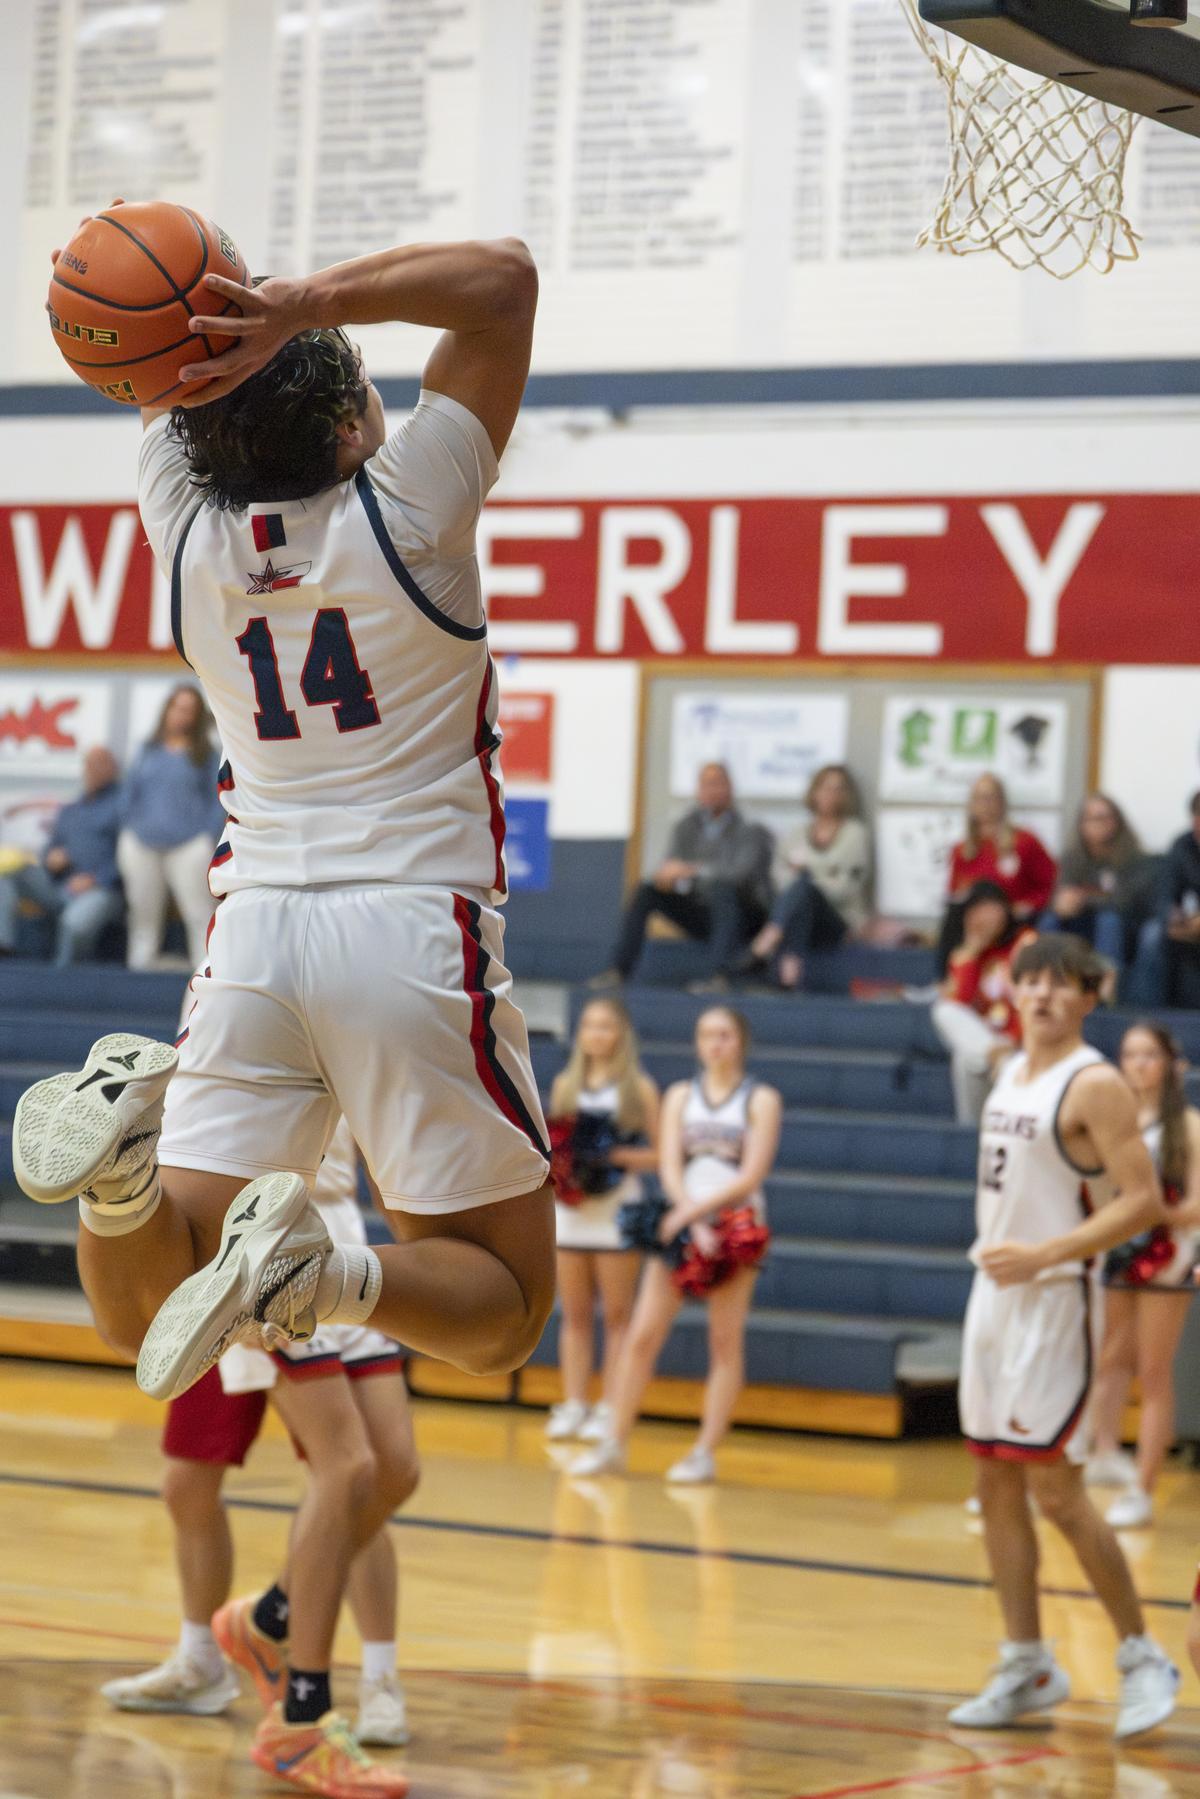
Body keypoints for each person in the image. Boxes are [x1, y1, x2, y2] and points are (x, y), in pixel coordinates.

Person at [14, 221, 554, 1799]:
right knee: (507, 1308)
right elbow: (504, 280)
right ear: (343, 423)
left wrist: (211, 332)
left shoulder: (179, 527)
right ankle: (332, 1264)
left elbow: (164, 388)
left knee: (141, 1318)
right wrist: (300, 301)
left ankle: (121, 1159)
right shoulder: (411, 509)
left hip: (251, 937)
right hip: (411, 928)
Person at [99, 1119, 417, 1754]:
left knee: (385, 1472)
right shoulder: (215, 1029)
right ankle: (215, 1666)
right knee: (196, 1480)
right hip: (248, 1258)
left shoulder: (358, 1029)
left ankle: (304, 1633)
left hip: (334, 1246)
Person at [950, 933, 1179, 1740]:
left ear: (1089, 995)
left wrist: (1047, 1251)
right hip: (995, 1294)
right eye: (1030, 981)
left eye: (1059, 983)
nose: (1042, 994)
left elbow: (1143, 1200)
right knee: (992, 1482)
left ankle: (1142, 1653)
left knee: (1057, 1488)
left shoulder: (1097, 1082)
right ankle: (1027, 1661)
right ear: (1014, 992)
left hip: (1055, 1300)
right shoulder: (1013, 1069)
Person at [570, 1006, 782, 1485]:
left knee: (724, 1341)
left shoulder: (761, 1099)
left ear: (741, 1041)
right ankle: (612, 1443)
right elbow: (668, 1165)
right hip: (683, 1225)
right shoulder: (682, 1096)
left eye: (725, 1035)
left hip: (736, 1225)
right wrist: (687, 1215)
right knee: (643, 1335)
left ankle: (705, 1451)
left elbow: (752, 1173)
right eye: (706, 1034)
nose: (715, 1044)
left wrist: (695, 1217)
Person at [1084, 1022, 1200, 1529]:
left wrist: (1151, 1213)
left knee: (1153, 1372)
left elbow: (1197, 1203)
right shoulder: (1117, 1119)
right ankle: (1104, 1451)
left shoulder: (1190, 1125)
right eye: (1130, 1054)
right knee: (1110, 1356)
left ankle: (1144, 1488)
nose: (1138, 1064)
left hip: (1167, 1252)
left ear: (1172, 1064)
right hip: (1119, 1248)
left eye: (1150, 1054)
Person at [544, 997, 660, 1445]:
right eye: (590, 1025)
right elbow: (557, 1146)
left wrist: (612, 1156)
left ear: (622, 1034)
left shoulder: (640, 1088)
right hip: (573, 1214)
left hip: (618, 1211)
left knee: (617, 1316)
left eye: (606, 1026)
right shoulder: (565, 1084)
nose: (596, 1033)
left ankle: (611, 1406)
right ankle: (574, 1403)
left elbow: (662, 1154)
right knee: (573, 1315)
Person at [591, 763, 772, 991]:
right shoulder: (686, 826)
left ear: (729, 788)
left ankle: (720, 977)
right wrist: (667, 876)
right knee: (647, 890)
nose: (711, 790)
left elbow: (739, 875)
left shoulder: (750, 828)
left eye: (717, 783)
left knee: (722, 888)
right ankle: (617, 971)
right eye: (705, 784)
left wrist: (691, 870)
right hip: (701, 909)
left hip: (745, 915)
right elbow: (671, 868)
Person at [117, 683, 224, 969]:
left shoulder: (206, 755)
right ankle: (139, 971)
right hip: (142, 843)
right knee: (143, 915)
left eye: (189, 710)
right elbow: (129, 793)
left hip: (188, 845)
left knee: (199, 914)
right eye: (178, 708)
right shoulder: (147, 749)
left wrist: (206, 838)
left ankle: (204, 977)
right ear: (168, 709)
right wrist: (130, 826)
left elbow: (218, 801)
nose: (182, 716)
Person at [740, 764, 871, 991]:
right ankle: (788, 980)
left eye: (838, 789)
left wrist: (807, 874)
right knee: (800, 898)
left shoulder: (855, 834)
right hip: (800, 916)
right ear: (814, 791)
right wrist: (824, 872)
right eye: (825, 787)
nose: (831, 794)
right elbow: (779, 877)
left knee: (803, 889)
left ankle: (765, 944)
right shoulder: (796, 833)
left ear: (847, 795)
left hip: (837, 921)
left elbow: (844, 888)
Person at [0, 747, 124, 964]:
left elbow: (129, 858)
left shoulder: (122, 808)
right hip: (61, 885)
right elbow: (51, 847)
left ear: (113, 770)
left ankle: (61, 979)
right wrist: (51, 858)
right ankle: (4, 947)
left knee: (74, 923)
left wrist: (95, 880)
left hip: (102, 890)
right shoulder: (71, 810)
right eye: (88, 764)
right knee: (11, 876)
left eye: (99, 764)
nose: (91, 770)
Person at [930, 883, 1033, 1125]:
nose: (985, 916)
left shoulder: (1025, 943)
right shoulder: (965, 954)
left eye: (992, 908)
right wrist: (971, 954)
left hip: (1018, 1043)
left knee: (967, 1060)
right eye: (978, 910)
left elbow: (1031, 1000)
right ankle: (972, 1133)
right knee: (944, 1011)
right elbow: (961, 1004)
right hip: (991, 1046)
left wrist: (1015, 1040)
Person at [936, 774, 1056, 975]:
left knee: (990, 895)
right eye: (979, 798)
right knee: (961, 907)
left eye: (990, 797)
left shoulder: (1025, 842)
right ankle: (946, 980)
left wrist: (1029, 904)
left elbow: (1051, 884)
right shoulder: (961, 850)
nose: (985, 805)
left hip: (1012, 921)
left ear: (1002, 802)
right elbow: (954, 893)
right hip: (974, 924)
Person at [1040, 793, 1157, 981]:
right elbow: (1060, 894)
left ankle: (1106, 988)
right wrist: (1062, 904)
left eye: (1105, 817)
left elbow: (1125, 901)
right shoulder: (1072, 858)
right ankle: (1044, 978)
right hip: (1079, 921)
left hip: (1123, 925)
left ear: (1117, 821)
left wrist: (1084, 898)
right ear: (1081, 824)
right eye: (1092, 818)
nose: (1100, 824)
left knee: (1109, 919)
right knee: (1050, 918)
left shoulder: (1134, 858)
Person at [1162, 790, 1200, 1008]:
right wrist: (1171, 915)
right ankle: (1146, 1017)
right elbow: (1165, 892)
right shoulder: (1182, 846)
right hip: (1187, 926)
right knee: (1153, 934)